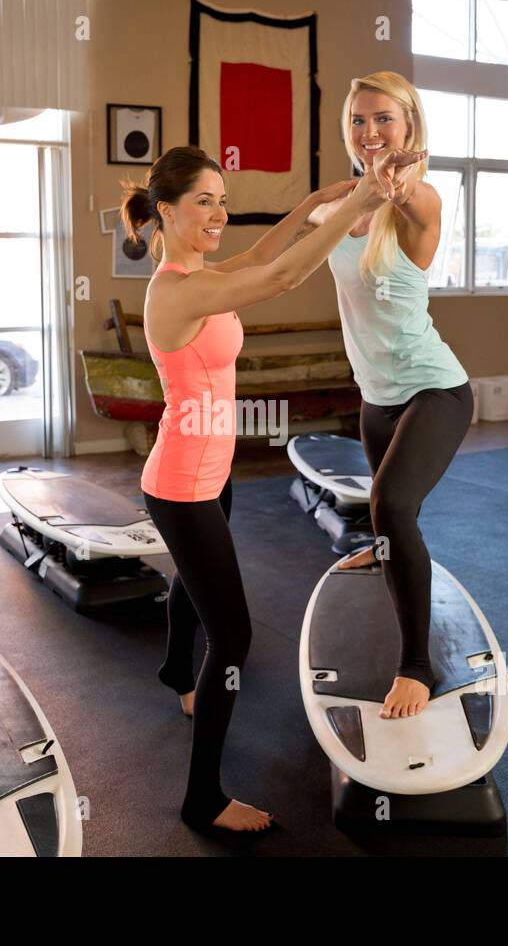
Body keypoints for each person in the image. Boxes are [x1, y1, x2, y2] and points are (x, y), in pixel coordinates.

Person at [119, 143, 423, 831]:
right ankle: (203, 799)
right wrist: (362, 199)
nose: (219, 213)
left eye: (223, 200)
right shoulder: (176, 290)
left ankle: (175, 674)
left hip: (207, 472)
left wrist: (309, 208)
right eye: (204, 201)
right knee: (233, 638)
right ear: (166, 210)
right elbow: (284, 277)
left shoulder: (195, 270)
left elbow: (261, 259)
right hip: (182, 486)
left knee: (189, 588)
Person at [306, 71, 474, 722]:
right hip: (375, 398)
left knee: (390, 503)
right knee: (387, 524)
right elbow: (299, 245)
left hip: (436, 389)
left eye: (384, 120)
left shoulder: (421, 200)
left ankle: (417, 667)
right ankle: (391, 572)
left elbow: (415, 206)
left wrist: (397, 190)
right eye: (358, 121)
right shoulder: (340, 205)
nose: (370, 132)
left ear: (409, 126)